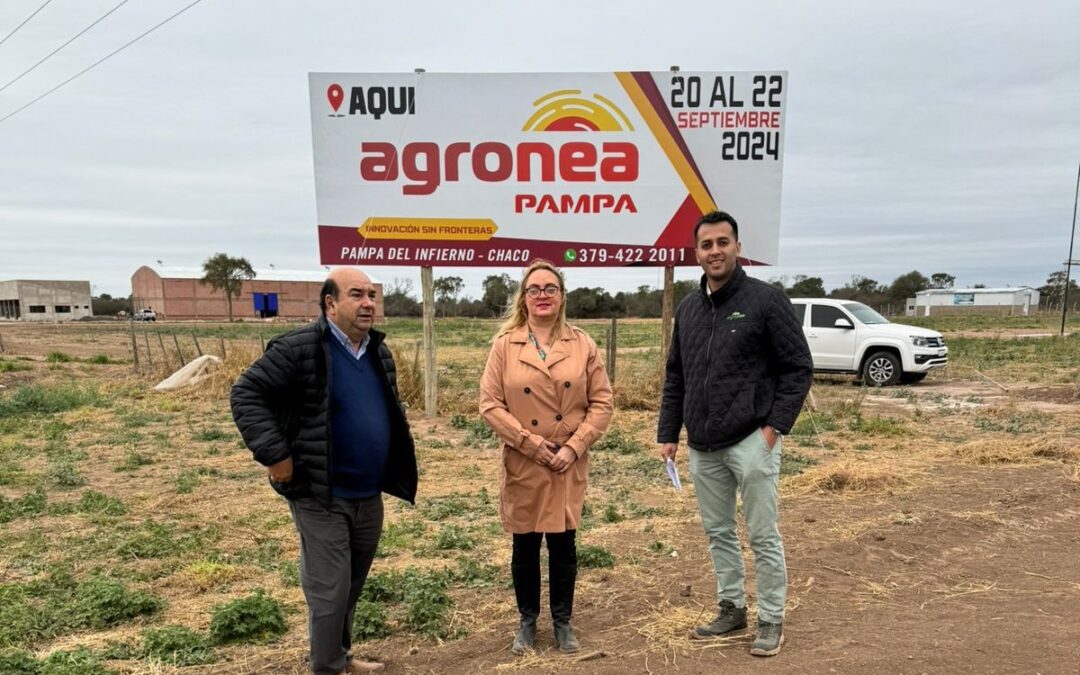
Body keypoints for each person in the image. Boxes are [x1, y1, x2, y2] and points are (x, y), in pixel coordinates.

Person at [231, 267, 418, 675]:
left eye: (372, 295)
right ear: (330, 303)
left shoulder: (377, 351)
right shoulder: (300, 348)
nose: (368, 303)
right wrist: (274, 455)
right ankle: (327, 667)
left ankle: (338, 657)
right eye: (357, 294)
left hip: (368, 493)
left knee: (350, 584)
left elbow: (387, 407)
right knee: (329, 589)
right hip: (320, 493)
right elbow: (247, 393)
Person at [657, 211, 812, 657]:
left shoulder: (765, 300)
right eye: (707, 245)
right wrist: (669, 432)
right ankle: (731, 608)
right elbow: (676, 377)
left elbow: (797, 367)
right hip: (703, 445)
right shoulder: (688, 309)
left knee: (762, 534)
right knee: (719, 531)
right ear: (697, 253)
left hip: (751, 440)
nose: (715, 251)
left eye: (723, 242)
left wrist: (774, 429)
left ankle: (770, 618)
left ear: (737, 247)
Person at [479, 259, 614, 656]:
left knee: (563, 543)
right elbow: (489, 404)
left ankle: (562, 622)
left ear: (561, 297)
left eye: (550, 288)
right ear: (524, 297)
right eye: (534, 289)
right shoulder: (505, 345)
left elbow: (603, 403)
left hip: (567, 460)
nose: (542, 295)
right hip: (525, 461)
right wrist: (529, 444)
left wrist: (573, 447)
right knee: (524, 544)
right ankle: (526, 621)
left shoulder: (583, 344)